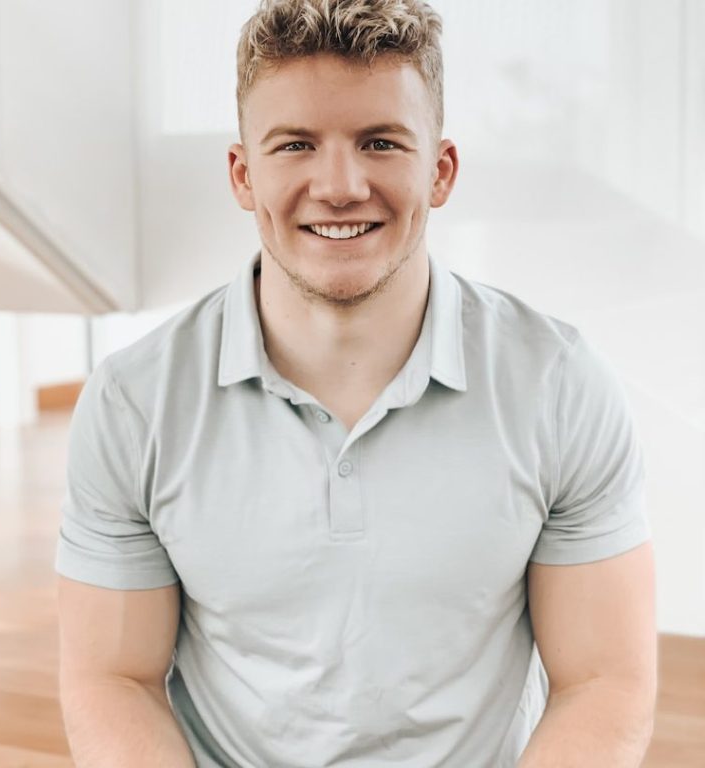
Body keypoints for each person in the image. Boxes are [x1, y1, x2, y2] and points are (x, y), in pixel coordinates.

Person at [55, 1, 657, 766]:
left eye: (380, 142)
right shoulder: (133, 403)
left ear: (440, 171)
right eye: (295, 145)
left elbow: (603, 683)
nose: (339, 187)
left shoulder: (560, 386)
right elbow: (113, 679)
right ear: (243, 175)